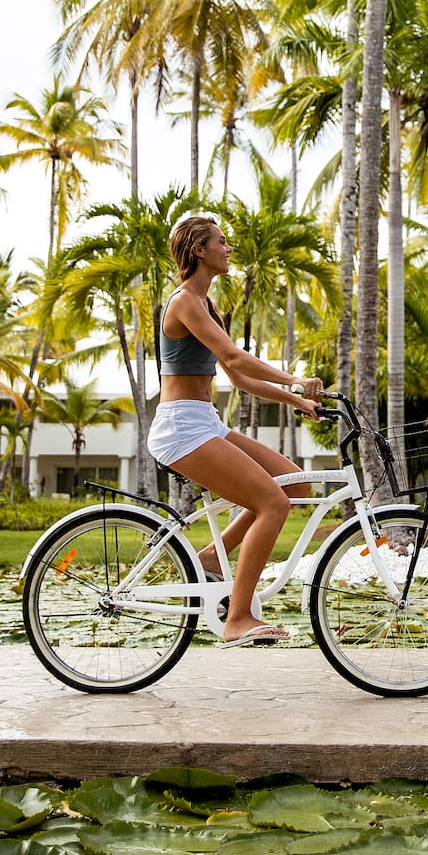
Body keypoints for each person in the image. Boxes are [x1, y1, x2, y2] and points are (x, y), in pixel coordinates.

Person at [152, 214, 325, 646]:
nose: (228, 249)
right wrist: (293, 378)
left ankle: (212, 555)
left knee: (294, 485)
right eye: (221, 242)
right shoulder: (185, 301)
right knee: (272, 504)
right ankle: (238, 618)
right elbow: (233, 357)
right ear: (199, 250)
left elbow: (239, 379)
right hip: (181, 427)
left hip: (204, 420)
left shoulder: (207, 305)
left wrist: (296, 400)